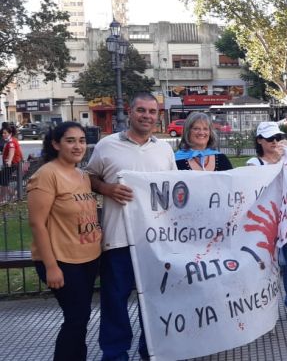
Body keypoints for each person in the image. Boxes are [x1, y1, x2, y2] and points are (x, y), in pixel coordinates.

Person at [86, 93, 177, 361]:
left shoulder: (164, 149)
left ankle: (152, 350)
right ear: (129, 112)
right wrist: (106, 188)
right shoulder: (107, 145)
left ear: (158, 115)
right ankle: (115, 355)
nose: (147, 116)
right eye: (141, 110)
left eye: (152, 111)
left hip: (154, 241)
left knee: (155, 300)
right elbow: (89, 177)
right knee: (115, 302)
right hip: (118, 239)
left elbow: (172, 190)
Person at [27, 122, 101, 360]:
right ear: (56, 144)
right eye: (70, 141)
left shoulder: (82, 175)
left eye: (81, 140)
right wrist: (51, 267)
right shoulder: (47, 175)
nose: (78, 146)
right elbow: (37, 223)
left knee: (81, 318)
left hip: (88, 258)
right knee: (76, 318)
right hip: (62, 261)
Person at [246, 121, 287, 321]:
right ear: (259, 141)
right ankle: (262, 306)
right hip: (265, 223)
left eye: (277, 138)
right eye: (270, 139)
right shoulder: (253, 164)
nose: (275, 142)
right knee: (263, 264)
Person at [1, 124, 22, 202]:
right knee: (3, 181)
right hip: (13, 164)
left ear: (10, 133)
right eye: (3, 133)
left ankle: (2, 199)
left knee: (3, 183)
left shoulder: (11, 141)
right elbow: (19, 151)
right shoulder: (13, 140)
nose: (3, 134)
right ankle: (13, 195)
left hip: (10, 165)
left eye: (5, 133)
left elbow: (12, 150)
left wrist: (9, 161)